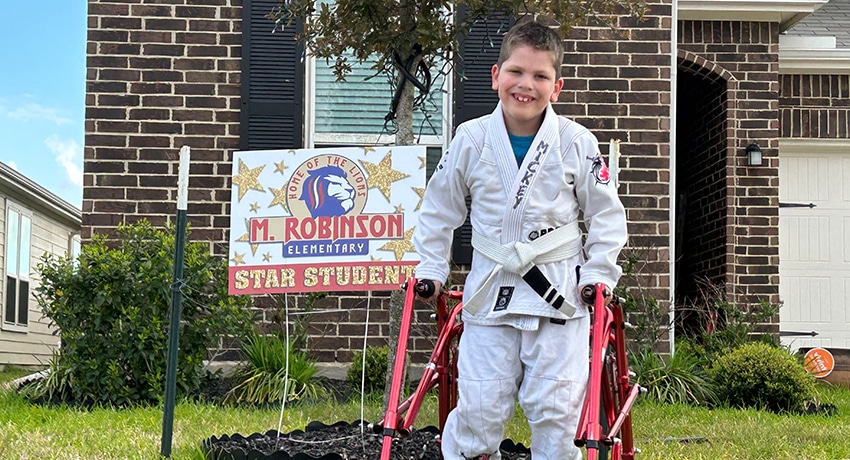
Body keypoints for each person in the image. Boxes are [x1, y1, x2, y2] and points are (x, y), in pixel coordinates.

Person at [411, 16, 628, 460]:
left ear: (557, 87)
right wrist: (431, 268)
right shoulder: (470, 139)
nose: (525, 84)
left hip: (559, 297)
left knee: (558, 411)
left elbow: (606, 214)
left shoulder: (576, 141)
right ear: (496, 76)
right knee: (478, 407)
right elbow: (438, 210)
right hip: (491, 293)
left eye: (540, 76)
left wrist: (599, 273)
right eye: (516, 71)